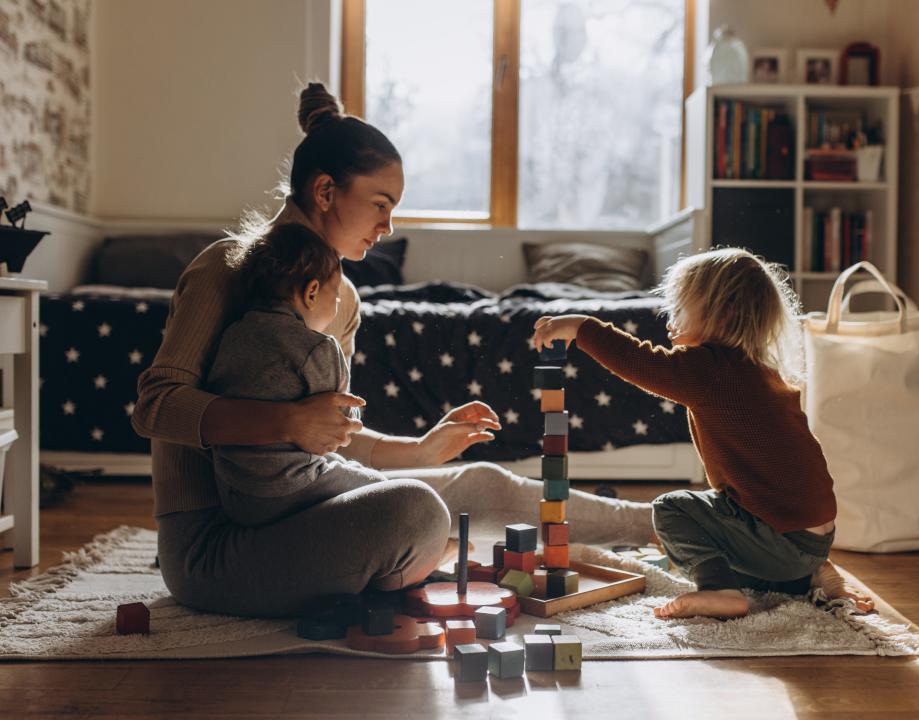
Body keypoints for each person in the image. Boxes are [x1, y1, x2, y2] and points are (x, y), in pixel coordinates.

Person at [133, 82, 655, 619]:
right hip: (214, 546)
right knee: (414, 513)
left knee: (479, 482)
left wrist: (420, 451)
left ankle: (661, 525)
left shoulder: (345, 300)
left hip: (302, 507)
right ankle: (399, 566)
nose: (388, 227)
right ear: (325, 191)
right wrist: (287, 422)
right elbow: (155, 406)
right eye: (380, 205)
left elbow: (330, 437)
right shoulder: (225, 267)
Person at [532, 248, 875, 620]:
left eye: (679, 310)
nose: (669, 321)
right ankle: (807, 575)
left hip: (781, 536)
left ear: (721, 313)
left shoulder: (711, 368)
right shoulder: (758, 369)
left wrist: (582, 327)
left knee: (671, 510)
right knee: (718, 535)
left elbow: (641, 362)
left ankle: (719, 590)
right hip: (813, 536)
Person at [206, 223, 388, 527]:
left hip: (236, 495)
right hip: (293, 485)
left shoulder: (232, 334)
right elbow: (343, 420)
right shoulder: (317, 346)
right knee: (385, 489)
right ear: (312, 292)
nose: (337, 308)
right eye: (337, 299)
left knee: (337, 466)